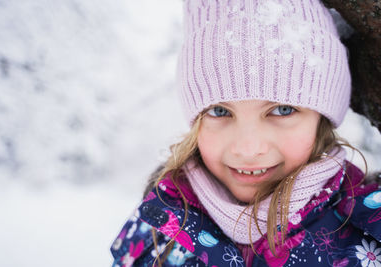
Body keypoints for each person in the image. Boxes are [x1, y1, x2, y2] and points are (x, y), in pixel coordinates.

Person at [111, 0, 381, 266]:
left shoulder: (368, 233)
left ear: (322, 117)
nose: (248, 148)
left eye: (283, 110)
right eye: (219, 111)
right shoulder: (160, 223)